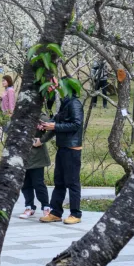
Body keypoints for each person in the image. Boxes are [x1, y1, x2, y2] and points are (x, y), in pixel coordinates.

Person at [40, 92, 84, 225]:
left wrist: (55, 126)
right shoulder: (65, 103)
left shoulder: (75, 103)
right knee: (59, 181)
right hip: (63, 147)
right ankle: (56, 212)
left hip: (72, 148)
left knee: (72, 182)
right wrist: (47, 125)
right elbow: (58, 120)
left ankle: (75, 213)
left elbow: (76, 124)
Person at [18, 108, 53, 219]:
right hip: (22, 154)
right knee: (25, 183)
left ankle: (46, 207)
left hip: (37, 156)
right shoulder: (20, 114)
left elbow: (52, 127)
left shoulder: (40, 116)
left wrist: (41, 140)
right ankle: (29, 207)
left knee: (38, 183)